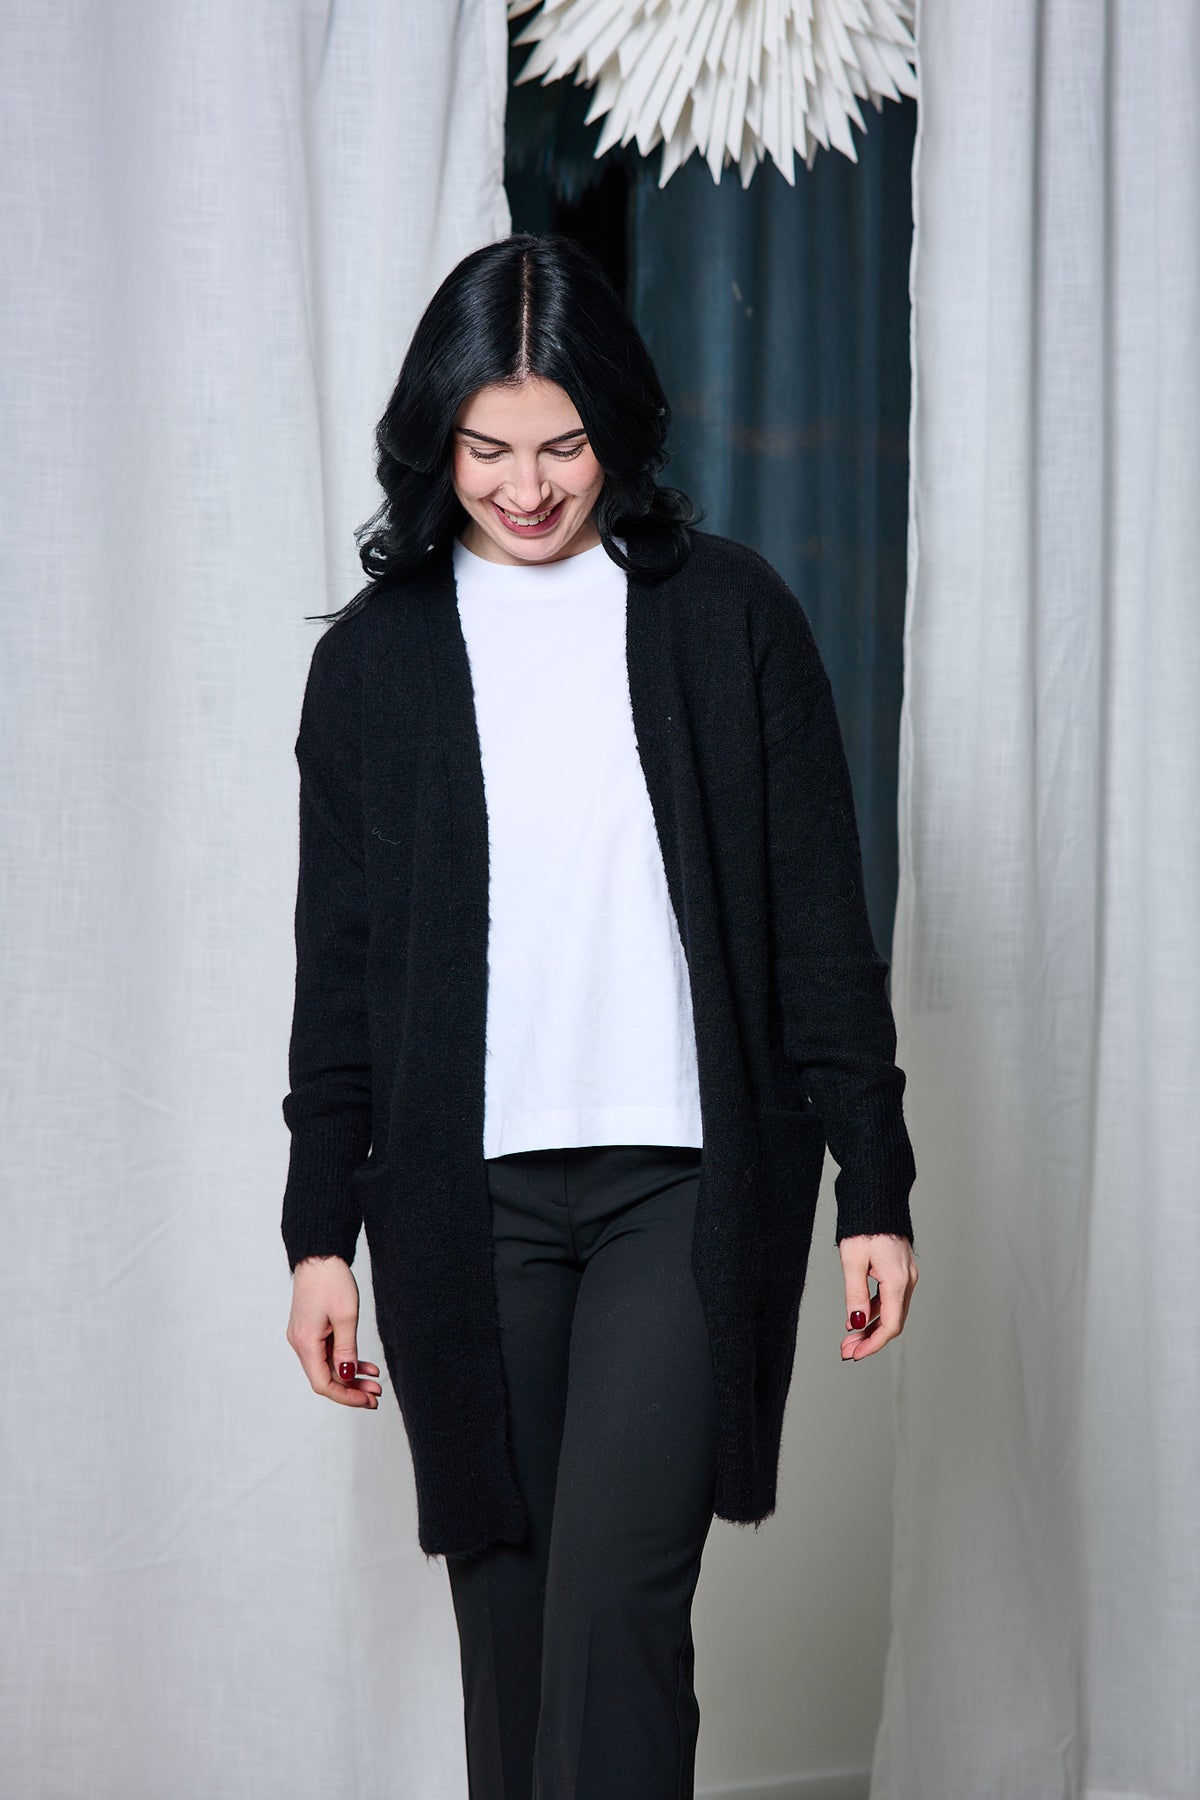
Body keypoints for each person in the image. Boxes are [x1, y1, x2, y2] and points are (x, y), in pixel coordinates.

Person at [280, 231, 919, 1800]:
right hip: (463, 1206)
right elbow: (342, 974)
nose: (525, 487)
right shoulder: (376, 663)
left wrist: (875, 1187)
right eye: (486, 448)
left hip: (681, 1191)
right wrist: (317, 1234)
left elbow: (820, 926)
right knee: (509, 1629)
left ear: (617, 428)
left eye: (561, 445)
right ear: (437, 442)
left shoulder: (729, 616)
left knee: (613, 1615)